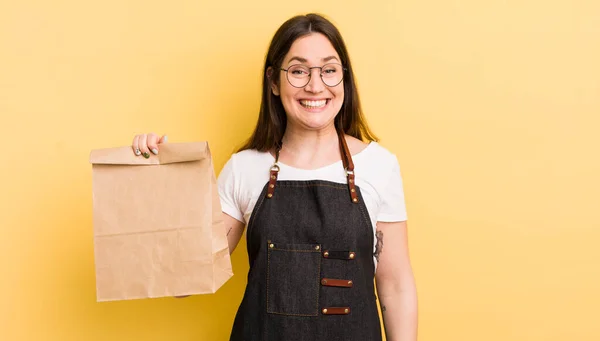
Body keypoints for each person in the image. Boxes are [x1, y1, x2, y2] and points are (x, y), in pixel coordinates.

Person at [131, 13, 417, 341]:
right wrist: (155, 178)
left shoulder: (379, 165)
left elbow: (395, 287)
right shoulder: (244, 168)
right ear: (273, 82)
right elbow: (186, 282)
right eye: (297, 71)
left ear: (344, 80)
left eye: (329, 70)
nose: (315, 85)